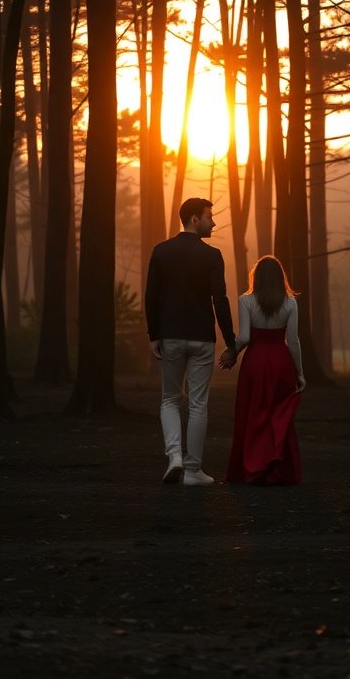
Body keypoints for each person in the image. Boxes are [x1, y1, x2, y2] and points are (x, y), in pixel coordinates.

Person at [145, 197, 237, 486]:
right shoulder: (213, 256)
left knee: (170, 399)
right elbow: (220, 300)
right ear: (195, 219)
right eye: (209, 216)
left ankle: (174, 456)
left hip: (171, 335)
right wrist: (231, 341)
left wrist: (153, 334)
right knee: (198, 404)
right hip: (201, 338)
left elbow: (151, 296)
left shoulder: (161, 251)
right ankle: (193, 469)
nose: (214, 222)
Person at [221, 255, 305, 485]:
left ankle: (251, 466)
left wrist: (231, 352)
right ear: (280, 278)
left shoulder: (246, 300)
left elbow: (244, 337)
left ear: (256, 277)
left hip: (255, 362)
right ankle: (278, 467)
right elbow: (293, 341)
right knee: (277, 414)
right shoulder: (290, 303)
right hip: (281, 362)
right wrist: (299, 373)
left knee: (253, 413)